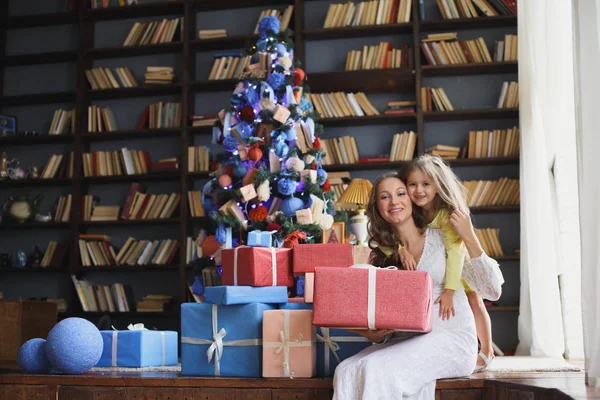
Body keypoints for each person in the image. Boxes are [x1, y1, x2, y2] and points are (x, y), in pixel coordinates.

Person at [333, 172, 478, 400]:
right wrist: (375, 334)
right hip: (406, 340)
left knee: (376, 369)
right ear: (377, 206)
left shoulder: (444, 237)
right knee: (346, 371)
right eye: (385, 197)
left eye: (401, 193)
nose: (394, 202)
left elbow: (482, 290)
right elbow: (386, 324)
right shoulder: (383, 255)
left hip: (452, 337)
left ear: (411, 199)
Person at [395, 154, 497, 371]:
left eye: (425, 184)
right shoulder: (415, 214)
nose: (418, 190)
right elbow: (397, 236)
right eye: (412, 185)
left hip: (459, 266)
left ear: (438, 185)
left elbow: (456, 253)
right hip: (440, 266)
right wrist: (400, 249)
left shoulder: (446, 215)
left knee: (474, 301)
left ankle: (487, 349)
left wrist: (450, 290)